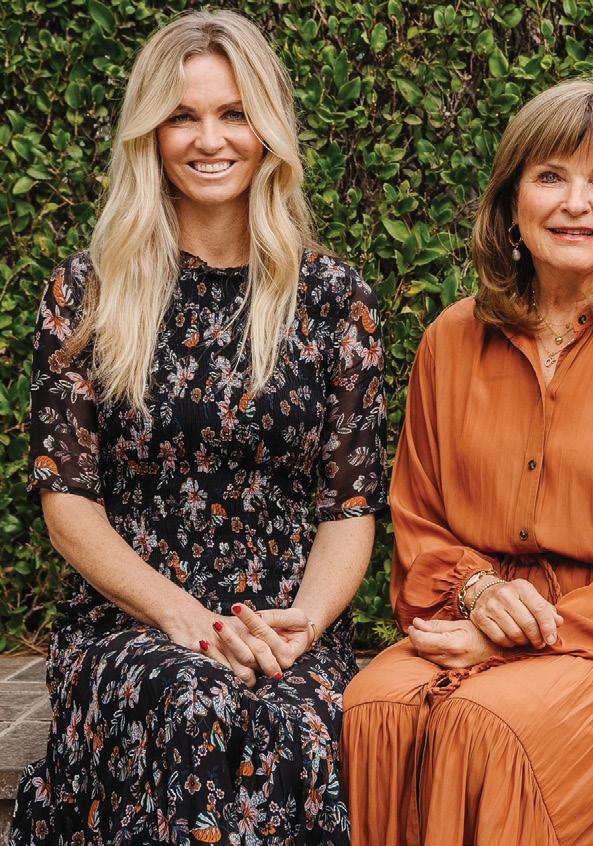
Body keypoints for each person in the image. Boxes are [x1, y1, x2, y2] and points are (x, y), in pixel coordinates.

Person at [11, 10, 386, 844]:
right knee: (194, 701)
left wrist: (302, 627)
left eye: (234, 113)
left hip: (283, 620)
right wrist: (186, 620)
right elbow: (68, 506)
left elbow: (349, 508)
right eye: (183, 115)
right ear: (151, 132)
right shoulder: (87, 293)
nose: (210, 139)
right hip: (131, 622)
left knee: (291, 723)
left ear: (268, 130)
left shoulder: (334, 299)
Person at [340, 78, 593, 846]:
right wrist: (480, 592)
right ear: (512, 202)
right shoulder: (450, 342)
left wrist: (521, 635)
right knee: (373, 709)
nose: (575, 203)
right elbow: (417, 521)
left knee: (483, 727)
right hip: (472, 613)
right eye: (551, 176)